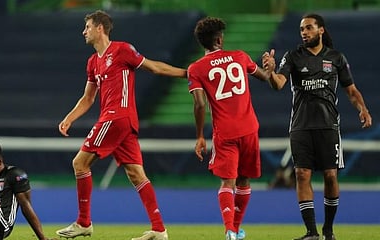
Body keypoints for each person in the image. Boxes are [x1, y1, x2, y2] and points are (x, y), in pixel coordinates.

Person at [55, 10, 186, 240]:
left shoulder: (122, 50)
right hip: (119, 122)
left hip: (117, 117)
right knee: (136, 173)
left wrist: (186, 73)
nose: (83, 31)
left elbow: (154, 67)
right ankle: (159, 229)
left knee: (80, 163)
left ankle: (84, 223)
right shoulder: (93, 62)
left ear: (100, 28)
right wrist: (69, 118)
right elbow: (88, 98)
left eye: (87, 26)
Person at [264, 13, 372, 240]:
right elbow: (279, 84)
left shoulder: (336, 58)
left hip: (328, 125)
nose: (304, 32)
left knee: (331, 176)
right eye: (302, 29)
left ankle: (329, 230)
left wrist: (362, 108)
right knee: (302, 174)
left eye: (309, 28)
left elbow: (351, 90)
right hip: (301, 126)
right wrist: (271, 71)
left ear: (321, 30)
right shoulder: (293, 56)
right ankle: (311, 232)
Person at [187, 17, 274, 240]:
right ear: (219, 38)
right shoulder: (240, 56)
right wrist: (270, 68)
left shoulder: (196, 68)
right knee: (244, 180)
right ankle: (235, 229)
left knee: (227, 182)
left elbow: (199, 103)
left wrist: (199, 136)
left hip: (225, 132)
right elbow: (264, 77)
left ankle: (229, 230)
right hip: (249, 129)